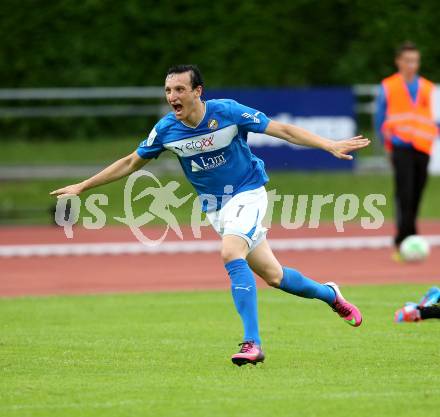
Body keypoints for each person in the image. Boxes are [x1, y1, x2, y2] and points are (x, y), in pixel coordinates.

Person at [51, 65, 370, 366]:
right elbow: (131, 162)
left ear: (197, 91)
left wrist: (328, 144)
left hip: (249, 193)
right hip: (217, 210)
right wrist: (84, 186)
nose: (172, 96)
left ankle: (252, 343)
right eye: (167, 90)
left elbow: (281, 129)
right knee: (274, 276)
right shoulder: (166, 129)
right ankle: (331, 294)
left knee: (231, 253)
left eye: (179, 89)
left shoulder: (228, 112)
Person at [375, 42, 438, 259]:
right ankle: (405, 238)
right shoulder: (388, 86)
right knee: (405, 192)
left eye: (415, 60)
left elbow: (433, 117)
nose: (412, 65)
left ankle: (409, 234)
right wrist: (387, 146)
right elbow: (380, 118)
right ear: (399, 61)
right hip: (400, 146)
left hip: (423, 146)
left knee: (417, 193)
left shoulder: (429, 88)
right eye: (408, 60)